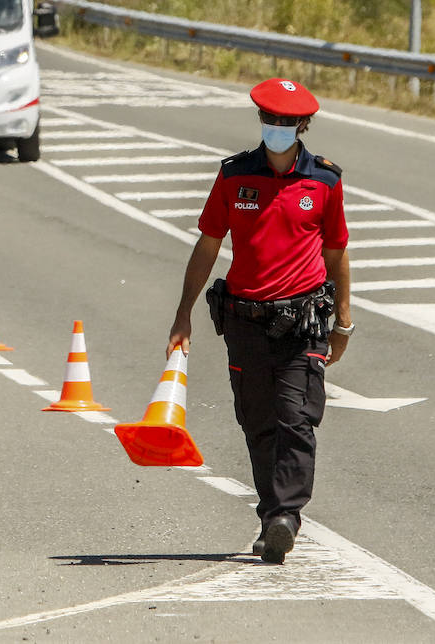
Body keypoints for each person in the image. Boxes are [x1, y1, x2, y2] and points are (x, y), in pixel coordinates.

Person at [166, 77, 353, 565]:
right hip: (246, 321)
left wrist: (344, 322)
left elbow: (336, 252)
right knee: (257, 420)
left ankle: (287, 514)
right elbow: (208, 243)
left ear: (303, 126)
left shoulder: (326, 181)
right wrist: (183, 314)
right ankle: (273, 515)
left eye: (286, 122)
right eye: (270, 120)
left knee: (296, 418)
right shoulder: (234, 176)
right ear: (261, 122)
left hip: (304, 322)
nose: (277, 128)